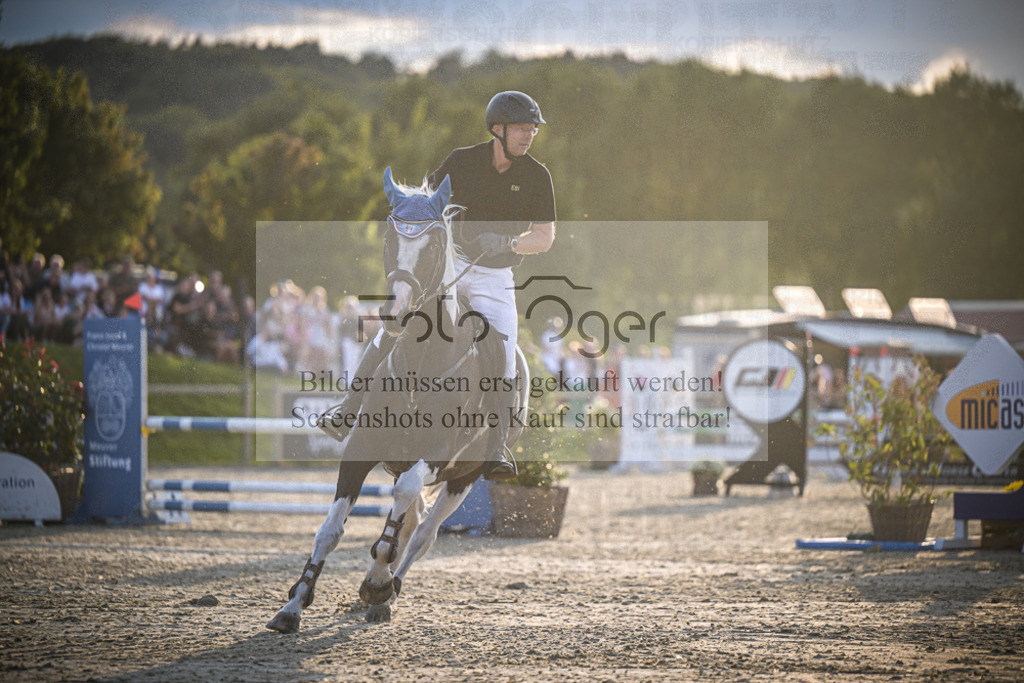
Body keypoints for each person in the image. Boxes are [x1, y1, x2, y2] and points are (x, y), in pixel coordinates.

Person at [321, 91, 556, 481]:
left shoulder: (536, 175)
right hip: (448, 266)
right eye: (520, 128)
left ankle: (496, 446)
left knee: (503, 344)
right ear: (497, 130)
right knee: (399, 322)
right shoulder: (461, 162)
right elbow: (423, 207)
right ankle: (349, 407)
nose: (528, 135)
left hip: (495, 278)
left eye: (532, 129)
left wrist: (511, 243)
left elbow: (546, 237)